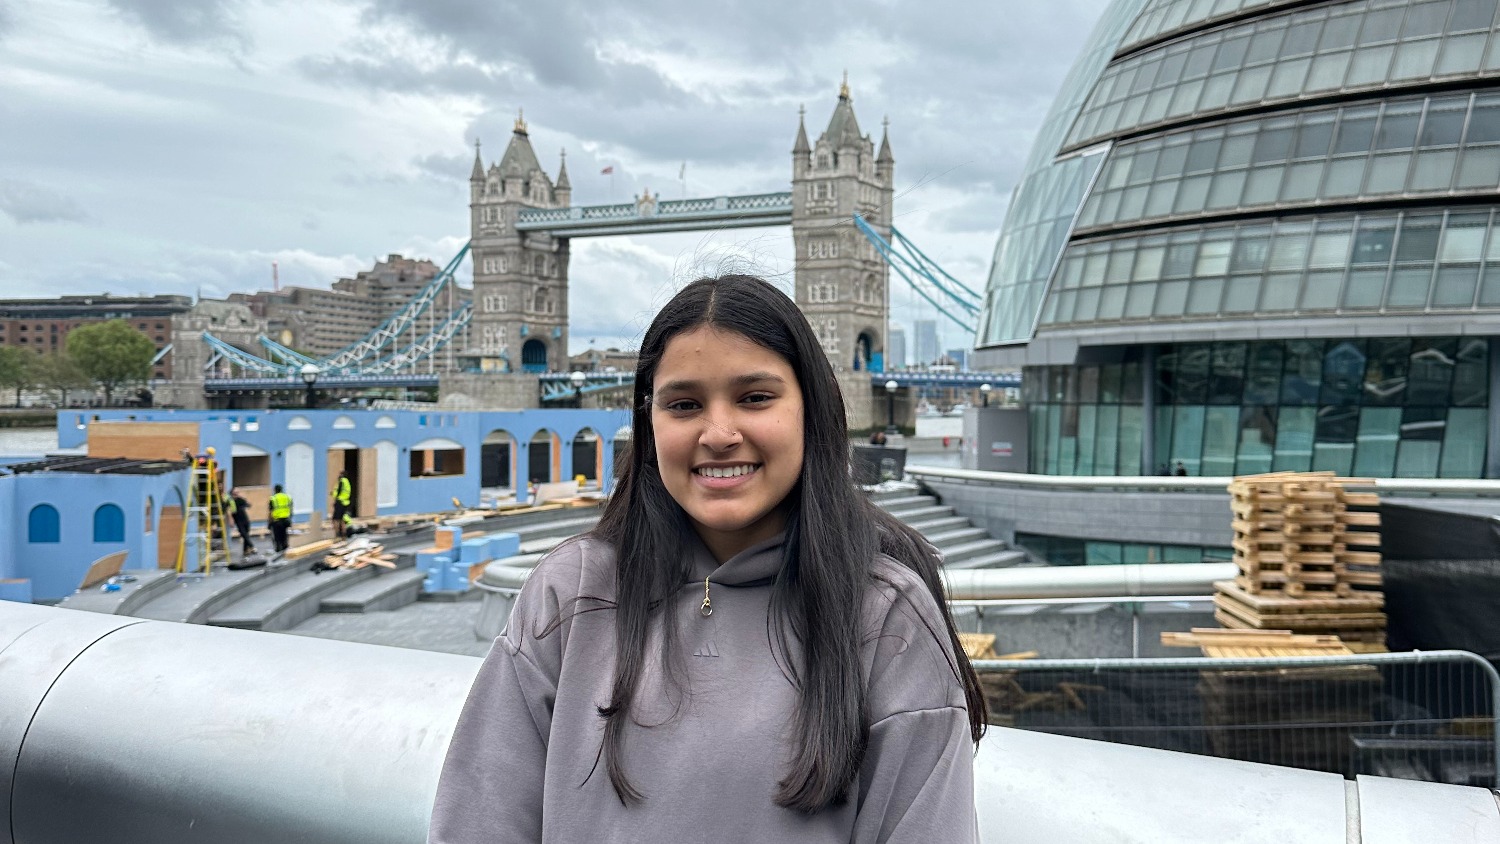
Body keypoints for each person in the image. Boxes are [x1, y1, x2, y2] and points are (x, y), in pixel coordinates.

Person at [430, 275, 985, 843]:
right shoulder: (569, 593)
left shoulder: (889, 618)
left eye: (755, 397)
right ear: (649, 422)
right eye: (684, 404)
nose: (718, 434)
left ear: (812, 410)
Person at [228, 487, 256, 557]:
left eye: (237, 492)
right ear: (232, 493)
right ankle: (252, 546)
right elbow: (228, 511)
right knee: (244, 534)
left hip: (245, 519)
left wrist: (245, 500)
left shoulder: (240, 499)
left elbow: (249, 505)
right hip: (238, 520)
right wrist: (231, 520)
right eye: (235, 492)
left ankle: (245, 550)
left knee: (246, 534)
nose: (237, 494)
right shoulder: (230, 501)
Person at [268, 484, 292, 553]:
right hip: (286, 519)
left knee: (277, 537)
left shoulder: (273, 498)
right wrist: (290, 518)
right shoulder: (287, 497)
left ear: (275, 490)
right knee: (284, 534)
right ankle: (285, 548)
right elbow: (291, 508)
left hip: (277, 521)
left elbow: (271, 511)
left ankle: (279, 550)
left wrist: (269, 522)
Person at [331, 470, 352, 539]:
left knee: (335, 519)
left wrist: (333, 494)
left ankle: (337, 535)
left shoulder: (342, 481)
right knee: (342, 519)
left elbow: (338, 492)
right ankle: (344, 535)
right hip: (346, 502)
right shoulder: (347, 482)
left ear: (342, 475)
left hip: (340, 502)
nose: (339, 476)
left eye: (340, 474)